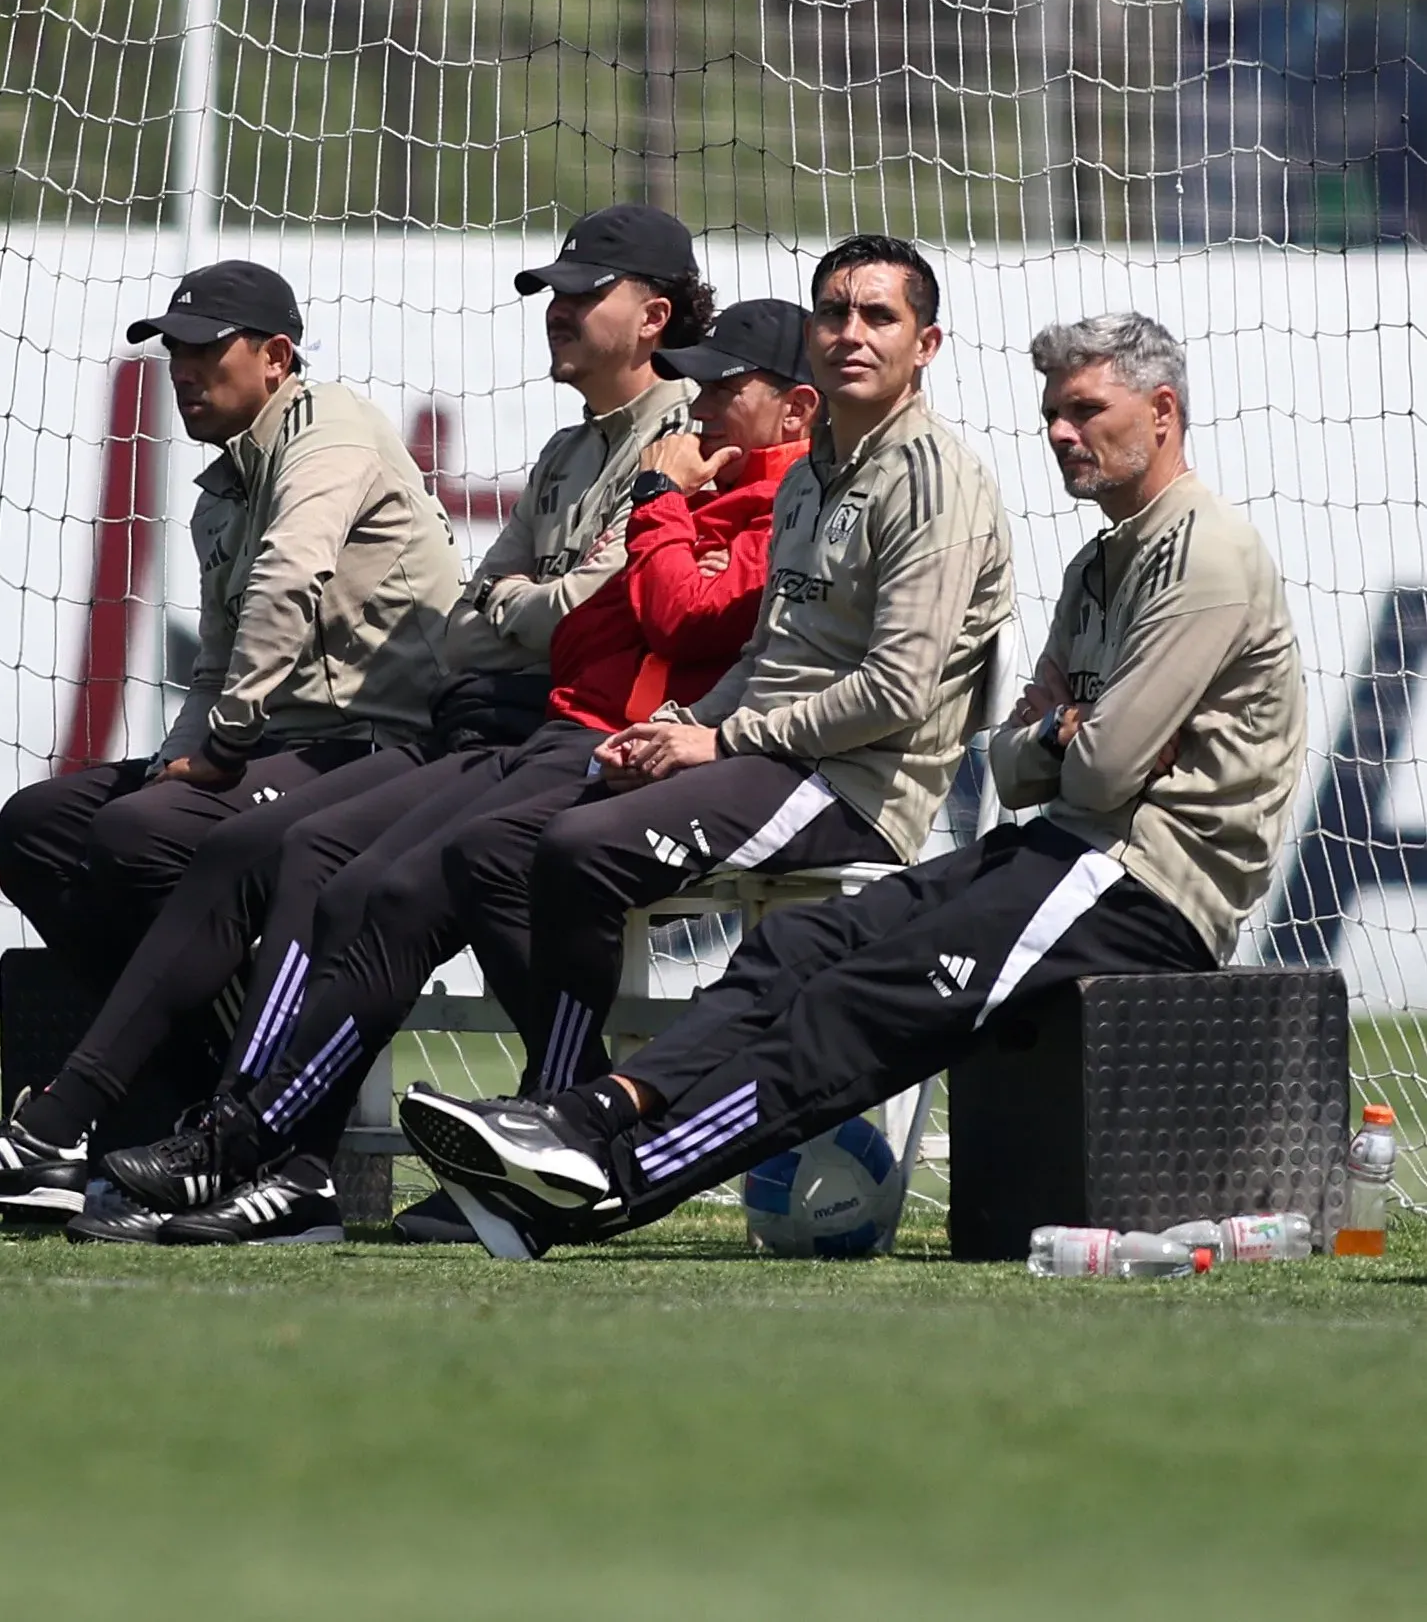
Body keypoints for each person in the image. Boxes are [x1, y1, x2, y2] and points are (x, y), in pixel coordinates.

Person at [396, 311, 1309, 1261]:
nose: (1059, 431)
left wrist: (1064, 738)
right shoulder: (1094, 564)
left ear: (1160, 412)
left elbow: (1101, 766)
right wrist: (1058, 734)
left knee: (855, 1002)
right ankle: (585, 1116)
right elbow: (1013, 766)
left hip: (1144, 882)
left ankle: (602, 1190)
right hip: (1062, 847)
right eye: (1051, 412)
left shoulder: (1204, 553)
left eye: (1084, 410)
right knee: (797, 946)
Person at [0, 210, 706, 1223]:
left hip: (402, 740)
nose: (184, 371)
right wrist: (191, 753)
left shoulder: (657, 440)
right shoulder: (552, 452)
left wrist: (221, 746)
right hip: (415, 737)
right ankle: (163, 1116)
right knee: (42, 826)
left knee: (216, 843)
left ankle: (199, 1133)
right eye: (173, 352)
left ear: (275, 357)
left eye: (204, 350)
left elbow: (314, 587)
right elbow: (470, 621)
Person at [90, 298, 819, 1246]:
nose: (703, 406)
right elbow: (520, 628)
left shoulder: (762, 495)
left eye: (724, 388)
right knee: (347, 870)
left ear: (795, 408)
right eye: (700, 384)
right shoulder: (667, 476)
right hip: (562, 728)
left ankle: (323, 1141)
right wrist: (622, 555)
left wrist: (654, 503)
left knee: (441, 868)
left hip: (642, 748)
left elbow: (674, 615)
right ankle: (279, 1157)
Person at [430, 233, 1012, 1107]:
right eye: (833, 313)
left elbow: (895, 692)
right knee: (488, 847)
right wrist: (676, 726)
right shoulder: (813, 477)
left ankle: (566, 1109)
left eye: (878, 316)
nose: (851, 333)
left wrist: (721, 738)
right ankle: (567, 1099)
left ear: (924, 344)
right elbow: (762, 656)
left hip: (848, 784)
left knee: (581, 848)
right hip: (761, 758)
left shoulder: (931, 480)